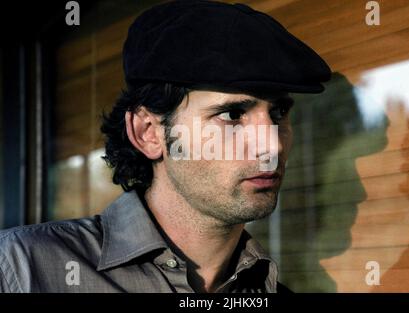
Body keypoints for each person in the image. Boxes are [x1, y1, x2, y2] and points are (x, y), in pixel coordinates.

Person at [0, 0, 330, 292]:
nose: (270, 144)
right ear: (148, 133)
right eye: (232, 114)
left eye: (279, 112)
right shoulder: (24, 270)